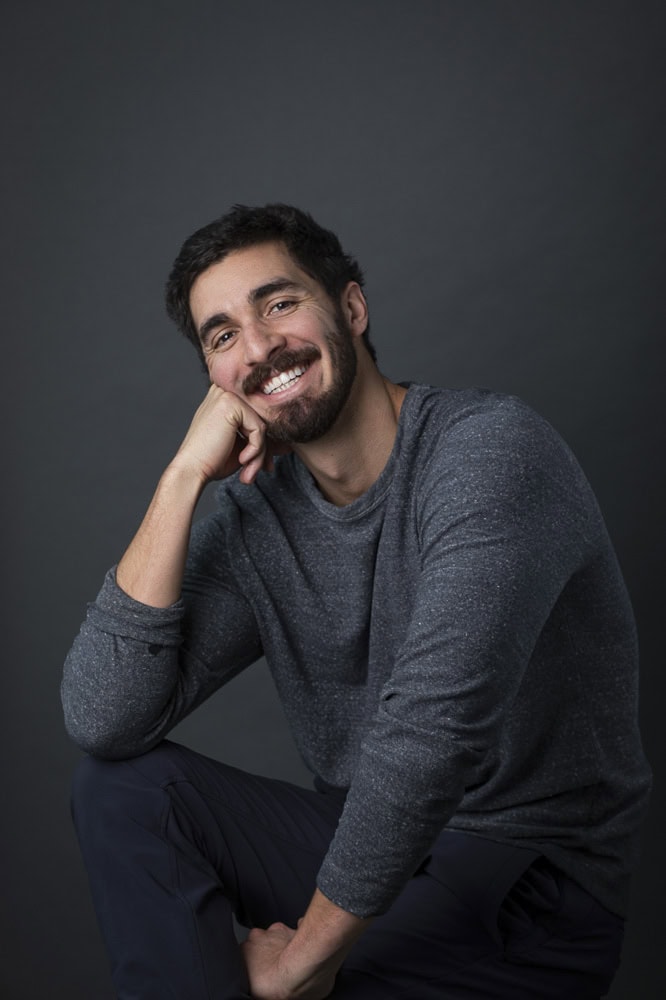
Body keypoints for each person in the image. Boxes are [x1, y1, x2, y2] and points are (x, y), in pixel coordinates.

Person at [62, 203, 651, 1000]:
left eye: (279, 303)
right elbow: (106, 714)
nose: (261, 347)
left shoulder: (491, 454)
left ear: (351, 306)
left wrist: (305, 959)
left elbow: (432, 734)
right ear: (213, 378)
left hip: (522, 885)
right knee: (122, 788)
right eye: (223, 335)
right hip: (371, 852)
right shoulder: (258, 513)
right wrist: (180, 482)